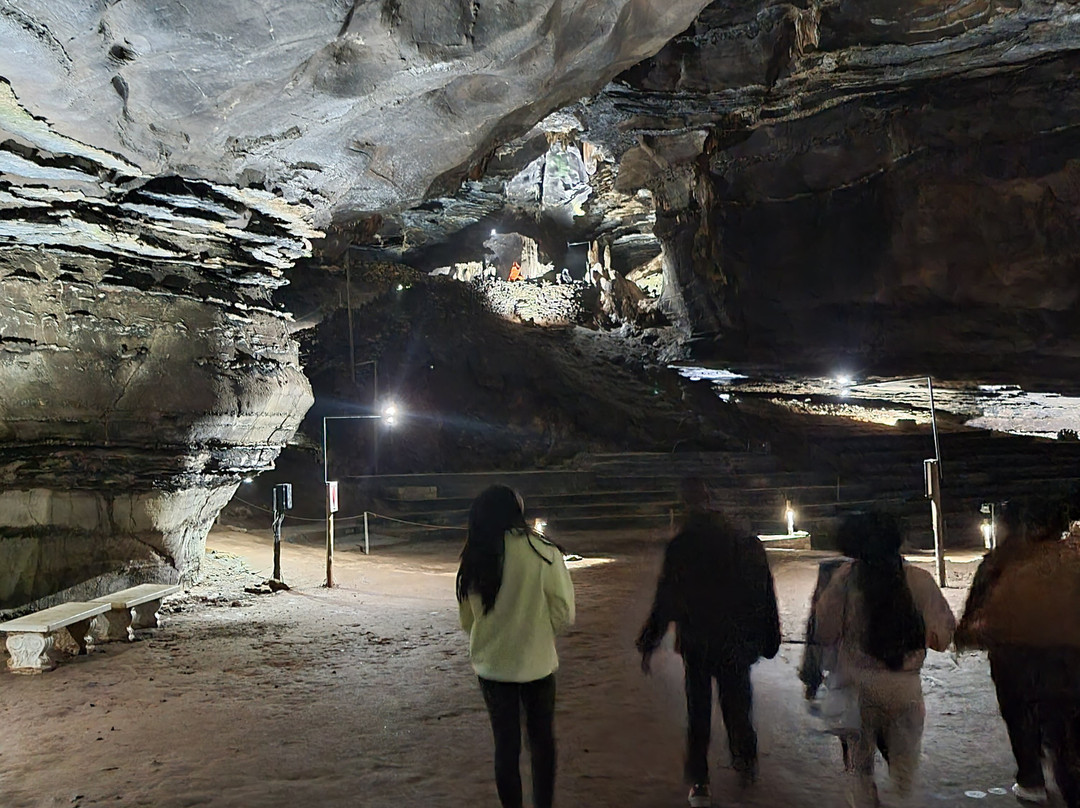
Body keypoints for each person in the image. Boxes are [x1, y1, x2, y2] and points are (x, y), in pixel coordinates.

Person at [636, 478, 781, 808]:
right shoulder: (743, 541)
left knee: (698, 710)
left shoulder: (681, 546)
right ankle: (746, 765)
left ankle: (699, 780)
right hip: (735, 641)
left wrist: (650, 640)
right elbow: (763, 593)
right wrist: (769, 638)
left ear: (684, 505)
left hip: (697, 641)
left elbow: (666, 599)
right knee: (738, 706)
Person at [813, 511, 955, 807]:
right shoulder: (919, 580)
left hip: (857, 686)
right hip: (904, 689)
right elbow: (942, 638)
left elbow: (825, 632)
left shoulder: (844, 580)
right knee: (904, 774)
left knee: (860, 771)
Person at [955, 493, 1080, 806]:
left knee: (1020, 719)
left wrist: (971, 633)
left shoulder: (1000, 563)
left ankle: (1031, 778)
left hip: (1015, 662)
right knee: (1066, 734)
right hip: (1069, 663)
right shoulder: (1072, 561)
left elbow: (973, 621)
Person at [456, 485, 575, 808]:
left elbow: (468, 621)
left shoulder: (476, 555)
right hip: (537, 663)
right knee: (542, 742)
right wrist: (537, 632)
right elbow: (564, 613)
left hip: (493, 667)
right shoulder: (544, 552)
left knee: (505, 747)